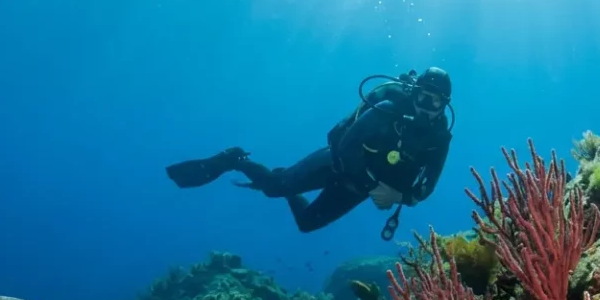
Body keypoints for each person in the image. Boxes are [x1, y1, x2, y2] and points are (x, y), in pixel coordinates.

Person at [166, 67, 455, 238]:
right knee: (273, 188)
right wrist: (376, 187)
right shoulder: (386, 111)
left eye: (434, 103)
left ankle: (286, 184)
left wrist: (399, 197)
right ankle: (235, 159)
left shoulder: (439, 139)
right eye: (421, 98)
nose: (425, 107)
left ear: (444, 106)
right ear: (413, 93)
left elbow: (426, 188)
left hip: (355, 189)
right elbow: (346, 146)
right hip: (336, 163)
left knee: (306, 224)